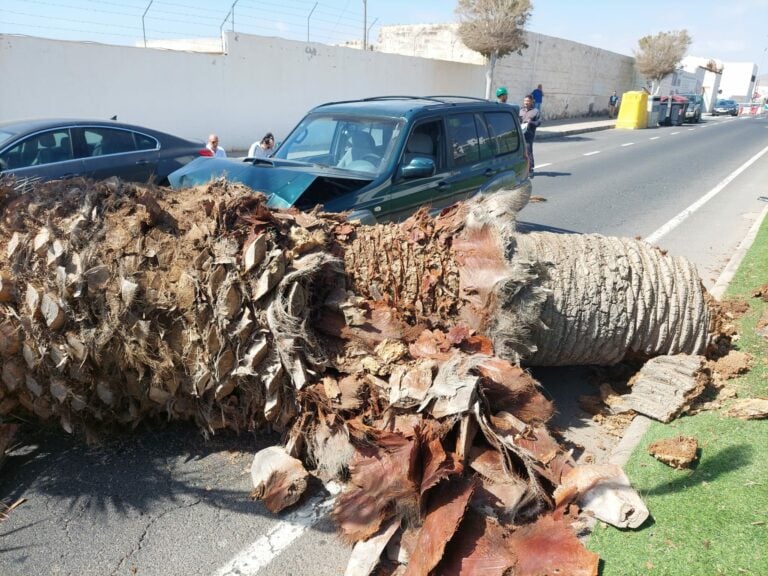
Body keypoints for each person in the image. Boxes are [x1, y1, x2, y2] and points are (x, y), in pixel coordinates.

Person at [519, 94, 541, 179]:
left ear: (531, 102)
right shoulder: (520, 110)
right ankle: (523, 169)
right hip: (520, 134)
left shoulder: (535, 111)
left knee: (528, 151)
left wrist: (530, 122)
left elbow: (538, 123)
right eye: (525, 101)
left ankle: (531, 169)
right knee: (520, 152)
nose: (526, 103)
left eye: (528, 101)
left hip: (529, 134)